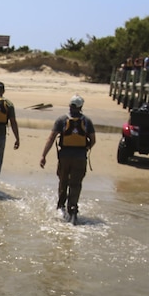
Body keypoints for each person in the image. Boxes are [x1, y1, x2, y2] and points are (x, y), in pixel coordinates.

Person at [39, 94, 96, 222]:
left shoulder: (62, 120)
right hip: (80, 157)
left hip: (64, 156)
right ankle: (73, 210)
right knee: (76, 184)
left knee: (63, 181)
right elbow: (93, 140)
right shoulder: (87, 121)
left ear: (69, 105)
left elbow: (51, 138)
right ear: (81, 107)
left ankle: (60, 206)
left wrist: (43, 156)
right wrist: (85, 149)